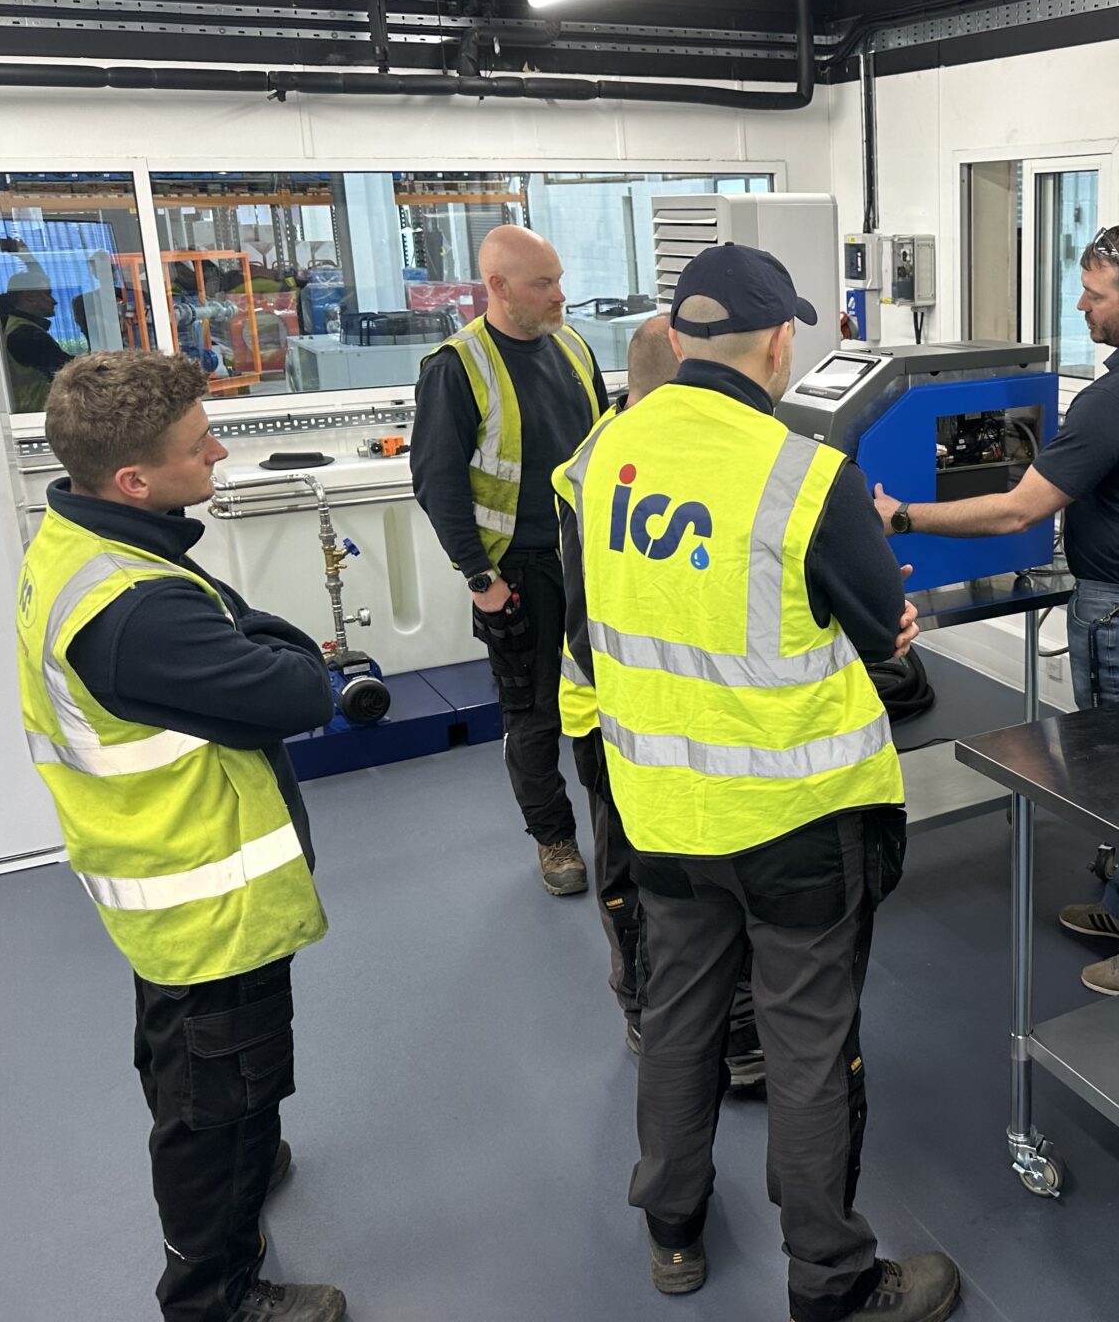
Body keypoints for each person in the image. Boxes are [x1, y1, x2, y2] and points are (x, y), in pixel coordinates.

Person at [556, 244, 962, 1322]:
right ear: (781, 344)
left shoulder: (600, 457)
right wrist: (883, 617)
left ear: (675, 337)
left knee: (680, 1018)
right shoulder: (806, 475)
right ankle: (831, 1278)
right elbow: (882, 633)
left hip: (661, 810)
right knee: (808, 1046)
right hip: (798, 820)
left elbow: (587, 631)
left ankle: (672, 1227)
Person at [13, 352, 346, 1322]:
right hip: (207, 899)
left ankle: (247, 1156)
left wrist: (244, 632)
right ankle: (216, 1295)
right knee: (217, 1099)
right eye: (199, 443)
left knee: (188, 1063)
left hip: (155, 873)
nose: (217, 451)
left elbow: (240, 638)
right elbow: (299, 688)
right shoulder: (139, 611)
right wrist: (272, 642)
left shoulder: (85, 540)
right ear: (133, 478)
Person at [871, 218, 1119, 995]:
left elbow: (1016, 511)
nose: (1082, 308)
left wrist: (902, 516)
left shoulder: (1114, 398)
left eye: (1095, 297)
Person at [557, 313, 767, 1088]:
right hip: (613, 720)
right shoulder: (599, 471)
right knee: (632, 882)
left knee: (709, 881)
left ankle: (733, 1028)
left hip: (689, 715)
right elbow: (588, 623)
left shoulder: (676, 456)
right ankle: (645, 1012)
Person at [412, 224, 609, 896]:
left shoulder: (574, 347)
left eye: (558, 280)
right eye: (543, 284)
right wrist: (482, 581)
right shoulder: (456, 367)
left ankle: (620, 827)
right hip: (517, 572)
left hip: (590, 559)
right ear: (497, 287)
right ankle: (554, 839)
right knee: (534, 714)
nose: (560, 295)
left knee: (608, 699)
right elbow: (437, 483)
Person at [1, 266, 75, 411]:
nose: (54, 301)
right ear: (30, 297)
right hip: (36, 412)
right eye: (48, 294)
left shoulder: (16, 326)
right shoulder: (26, 334)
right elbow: (69, 368)